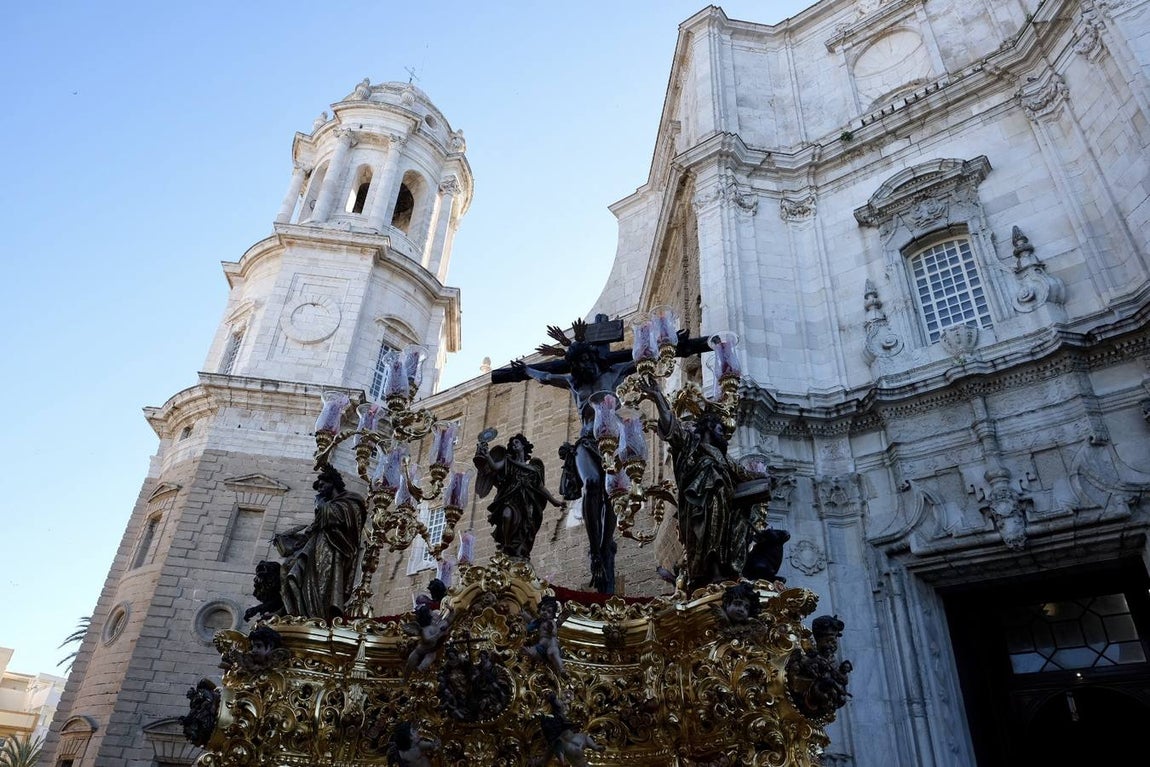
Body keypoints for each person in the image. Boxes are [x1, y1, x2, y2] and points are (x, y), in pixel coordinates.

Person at [511, 332, 637, 593]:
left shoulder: (612, 374)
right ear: (576, 365)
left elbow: (639, 359)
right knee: (591, 483)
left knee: (613, 494)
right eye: (581, 362)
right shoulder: (574, 384)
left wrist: (668, 343)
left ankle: (605, 546)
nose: (586, 366)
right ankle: (595, 551)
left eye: (589, 360)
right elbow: (545, 377)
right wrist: (526, 369)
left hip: (613, 444)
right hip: (586, 443)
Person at [639, 378, 747, 590]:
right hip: (698, 505)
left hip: (723, 503)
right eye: (719, 429)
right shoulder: (692, 446)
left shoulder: (725, 459)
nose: (723, 435)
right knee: (704, 536)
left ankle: (723, 571)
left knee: (722, 535)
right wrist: (659, 398)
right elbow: (673, 431)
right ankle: (710, 574)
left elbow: (745, 474)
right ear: (707, 428)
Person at [275, 464, 367, 621]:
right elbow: (313, 528)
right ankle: (295, 612)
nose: (320, 490)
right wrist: (289, 541)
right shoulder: (329, 503)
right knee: (289, 569)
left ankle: (317, 616)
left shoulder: (351, 501)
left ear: (332, 483)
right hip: (316, 545)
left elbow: (344, 521)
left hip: (334, 548)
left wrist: (321, 504)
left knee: (322, 583)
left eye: (322, 485)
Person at [473, 433, 565, 559]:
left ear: (523, 446)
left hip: (527, 503)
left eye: (517, 442)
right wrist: (487, 454)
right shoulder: (508, 461)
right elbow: (494, 467)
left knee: (525, 529)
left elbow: (540, 487)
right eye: (512, 443)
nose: (514, 445)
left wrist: (554, 501)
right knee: (506, 515)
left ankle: (519, 550)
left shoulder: (533, 468)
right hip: (510, 498)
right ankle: (506, 544)